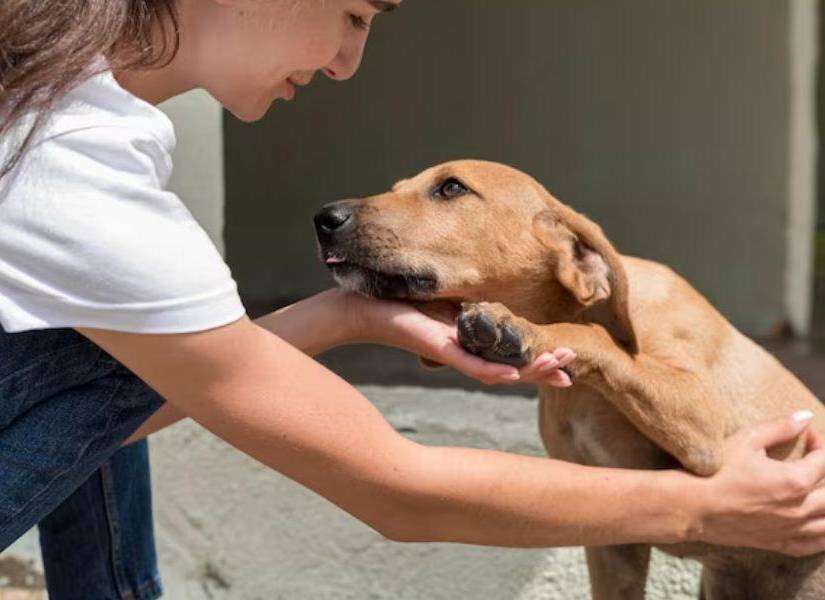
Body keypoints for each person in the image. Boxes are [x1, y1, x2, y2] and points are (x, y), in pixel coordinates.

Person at [3, 1, 825, 598]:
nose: (346, 63)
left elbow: (132, 409)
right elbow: (396, 488)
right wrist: (703, 509)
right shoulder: (82, 170)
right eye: (354, 15)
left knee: (122, 351)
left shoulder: (61, 116)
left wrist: (351, 315)